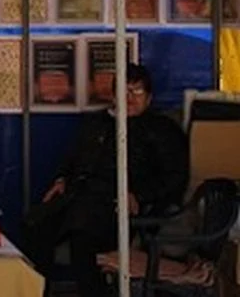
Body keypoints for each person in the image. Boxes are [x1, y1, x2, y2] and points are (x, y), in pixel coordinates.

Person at [22, 63, 189, 294]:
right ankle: (40, 291)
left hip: (122, 203)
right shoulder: (96, 123)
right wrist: (61, 178)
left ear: (149, 98)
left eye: (137, 91)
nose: (130, 98)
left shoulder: (162, 129)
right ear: (113, 95)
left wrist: (140, 195)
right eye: (124, 91)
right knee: (35, 223)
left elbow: (175, 176)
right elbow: (72, 157)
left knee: (83, 235)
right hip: (79, 193)